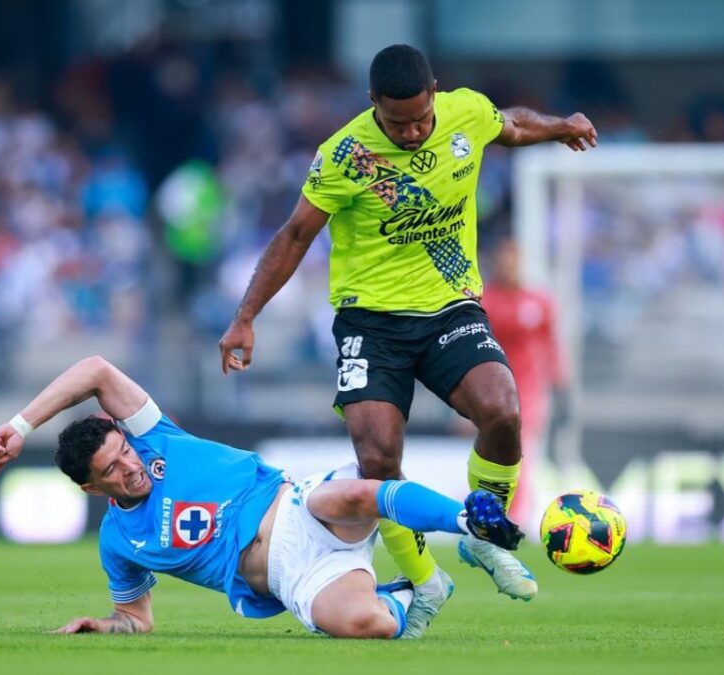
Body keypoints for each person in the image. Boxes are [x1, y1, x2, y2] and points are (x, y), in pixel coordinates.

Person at [218, 44, 596, 636]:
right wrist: (246, 317)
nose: (414, 131)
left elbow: (515, 123)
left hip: (448, 310)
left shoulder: (464, 112)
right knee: (377, 462)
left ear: (436, 93)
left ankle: (484, 535)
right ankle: (426, 579)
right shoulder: (344, 155)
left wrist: (561, 126)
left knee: (503, 411)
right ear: (373, 105)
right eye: (398, 123)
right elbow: (294, 236)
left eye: (421, 118)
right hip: (371, 324)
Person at [0, 355, 522, 639]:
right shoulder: (119, 542)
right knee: (368, 626)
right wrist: (102, 625)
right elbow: (137, 620)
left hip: (296, 507)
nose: (131, 467)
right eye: (113, 470)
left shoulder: (157, 437)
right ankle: (412, 592)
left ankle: (470, 522)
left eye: (125, 452)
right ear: (90, 487)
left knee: (350, 495)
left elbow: (95, 370)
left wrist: (20, 424)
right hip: (294, 580)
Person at [480, 239, 570, 530]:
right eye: (504, 260)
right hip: (491, 387)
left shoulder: (538, 301)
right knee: (493, 450)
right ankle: (489, 508)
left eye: (514, 260)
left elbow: (551, 344)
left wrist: (561, 385)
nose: (509, 266)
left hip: (529, 390)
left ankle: (514, 514)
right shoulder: (485, 301)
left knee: (517, 447)